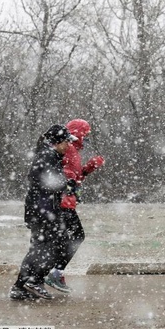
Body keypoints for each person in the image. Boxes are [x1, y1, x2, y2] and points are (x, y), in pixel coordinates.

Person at [9, 124, 78, 300]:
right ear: (59, 142)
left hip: (43, 209)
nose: (69, 145)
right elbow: (44, 180)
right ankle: (29, 282)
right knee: (45, 247)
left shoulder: (50, 156)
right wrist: (66, 185)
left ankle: (25, 285)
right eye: (67, 142)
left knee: (46, 246)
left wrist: (66, 186)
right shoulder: (47, 156)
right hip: (42, 210)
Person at [44, 119, 105, 294]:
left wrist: (89, 168)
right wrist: (69, 180)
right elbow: (64, 176)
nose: (86, 139)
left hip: (66, 202)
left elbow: (75, 179)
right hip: (62, 203)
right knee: (76, 236)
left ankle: (48, 273)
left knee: (64, 238)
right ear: (78, 134)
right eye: (85, 135)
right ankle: (54, 273)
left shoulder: (73, 151)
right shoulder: (68, 150)